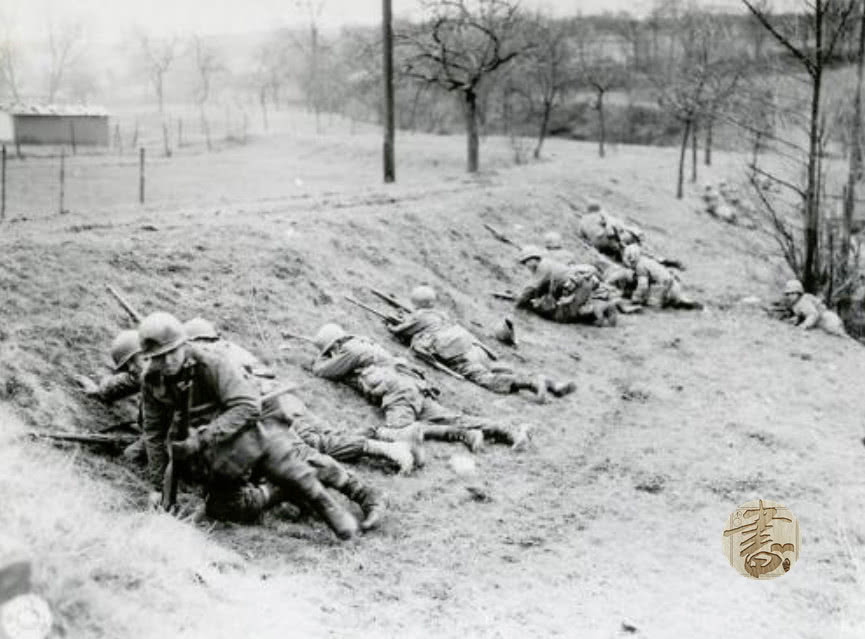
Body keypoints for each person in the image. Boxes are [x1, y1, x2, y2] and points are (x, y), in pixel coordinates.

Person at [138, 311, 384, 540]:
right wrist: (159, 486)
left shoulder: (212, 362)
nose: (168, 361)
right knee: (223, 507)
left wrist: (203, 437)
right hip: (220, 448)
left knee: (294, 464)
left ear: (186, 344)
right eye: (160, 356)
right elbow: (154, 432)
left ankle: (361, 493)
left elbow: (247, 406)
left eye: (173, 352)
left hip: (257, 423)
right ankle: (281, 491)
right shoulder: (152, 380)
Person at [184, 317, 415, 473]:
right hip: (283, 395)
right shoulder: (232, 347)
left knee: (317, 442)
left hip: (267, 403)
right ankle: (388, 435)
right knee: (325, 431)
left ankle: (387, 449)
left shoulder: (204, 358)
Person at [311, 323, 532, 453]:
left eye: (331, 350)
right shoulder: (363, 345)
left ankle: (463, 435)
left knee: (400, 432)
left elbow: (321, 370)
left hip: (397, 393)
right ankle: (506, 429)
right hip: (410, 387)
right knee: (451, 417)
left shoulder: (351, 350)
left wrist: (322, 356)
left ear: (336, 345)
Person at [388, 286, 576, 399]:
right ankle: (551, 383)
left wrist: (391, 323)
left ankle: (532, 384)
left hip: (456, 353)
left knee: (488, 380)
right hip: (473, 346)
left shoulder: (419, 317)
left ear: (415, 302)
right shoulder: (440, 313)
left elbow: (400, 332)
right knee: (495, 367)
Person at [74, 329, 147, 463]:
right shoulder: (142, 371)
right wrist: (100, 390)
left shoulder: (177, 372)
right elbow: (125, 382)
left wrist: (145, 442)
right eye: (127, 365)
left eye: (133, 361)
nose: (131, 368)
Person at [623, 245, 703, 310]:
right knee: (674, 303)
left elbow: (643, 285)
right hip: (672, 284)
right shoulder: (646, 261)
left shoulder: (640, 266)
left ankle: (689, 305)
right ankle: (688, 304)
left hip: (664, 286)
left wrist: (635, 299)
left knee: (652, 307)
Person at [781, 280, 847, 337]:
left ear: (799, 293)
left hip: (827, 319)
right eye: (788, 294)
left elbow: (813, 314)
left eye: (793, 293)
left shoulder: (803, 301)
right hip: (822, 321)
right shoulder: (796, 303)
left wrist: (804, 325)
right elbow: (804, 315)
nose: (790, 296)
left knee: (837, 333)